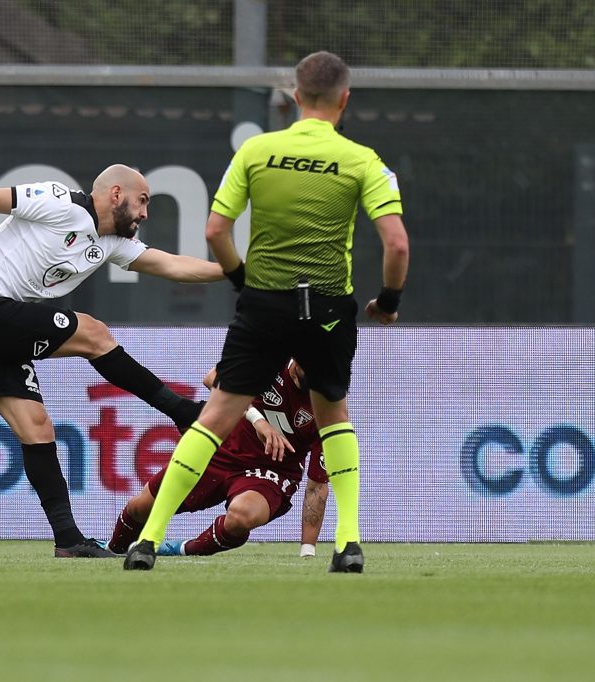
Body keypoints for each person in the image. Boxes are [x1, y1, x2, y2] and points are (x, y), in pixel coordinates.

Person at [125, 51, 410, 573]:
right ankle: (348, 545)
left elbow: (215, 231)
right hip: (326, 307)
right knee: (334, 420)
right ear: (344, 100)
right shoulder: (364, 160)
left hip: (265, 302)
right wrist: (386, 302)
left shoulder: (257, 151)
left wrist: (242, 283)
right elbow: (396, 244)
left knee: (213, 419)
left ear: (294, 98)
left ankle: (148, 540)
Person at [0, 164, 225, 558]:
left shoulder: (111, 243)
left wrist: (234, 272)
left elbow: (174, 266)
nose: (146, 213)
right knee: (93, 333)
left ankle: (68, 540)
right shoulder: (59, 201)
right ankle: (182, 411)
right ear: (117, 194)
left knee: (37, 427)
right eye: (142, 201)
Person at [107, 360, 330, 558]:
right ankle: (111, 550)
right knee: (139, 507)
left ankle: (184, 549)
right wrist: (257, 419)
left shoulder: (329, 405)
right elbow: (212, 378)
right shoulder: (270, 359)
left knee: (241, 516)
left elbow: (317, 488)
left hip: (271, 473)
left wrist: (307, 550)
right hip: (221, 452)